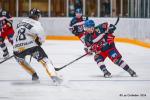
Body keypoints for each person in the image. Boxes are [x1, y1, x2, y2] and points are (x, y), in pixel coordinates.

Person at [13, 8, 62, 83]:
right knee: (46, 61)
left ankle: (34, 75)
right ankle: (54, 76)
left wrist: (17, 48)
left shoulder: (21, 22)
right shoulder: (36, 23)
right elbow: (42, 38)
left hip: (17, 49)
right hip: (32, 47)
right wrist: (39, 42)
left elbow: (15, 35)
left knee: (21, 61)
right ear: (38, 16)